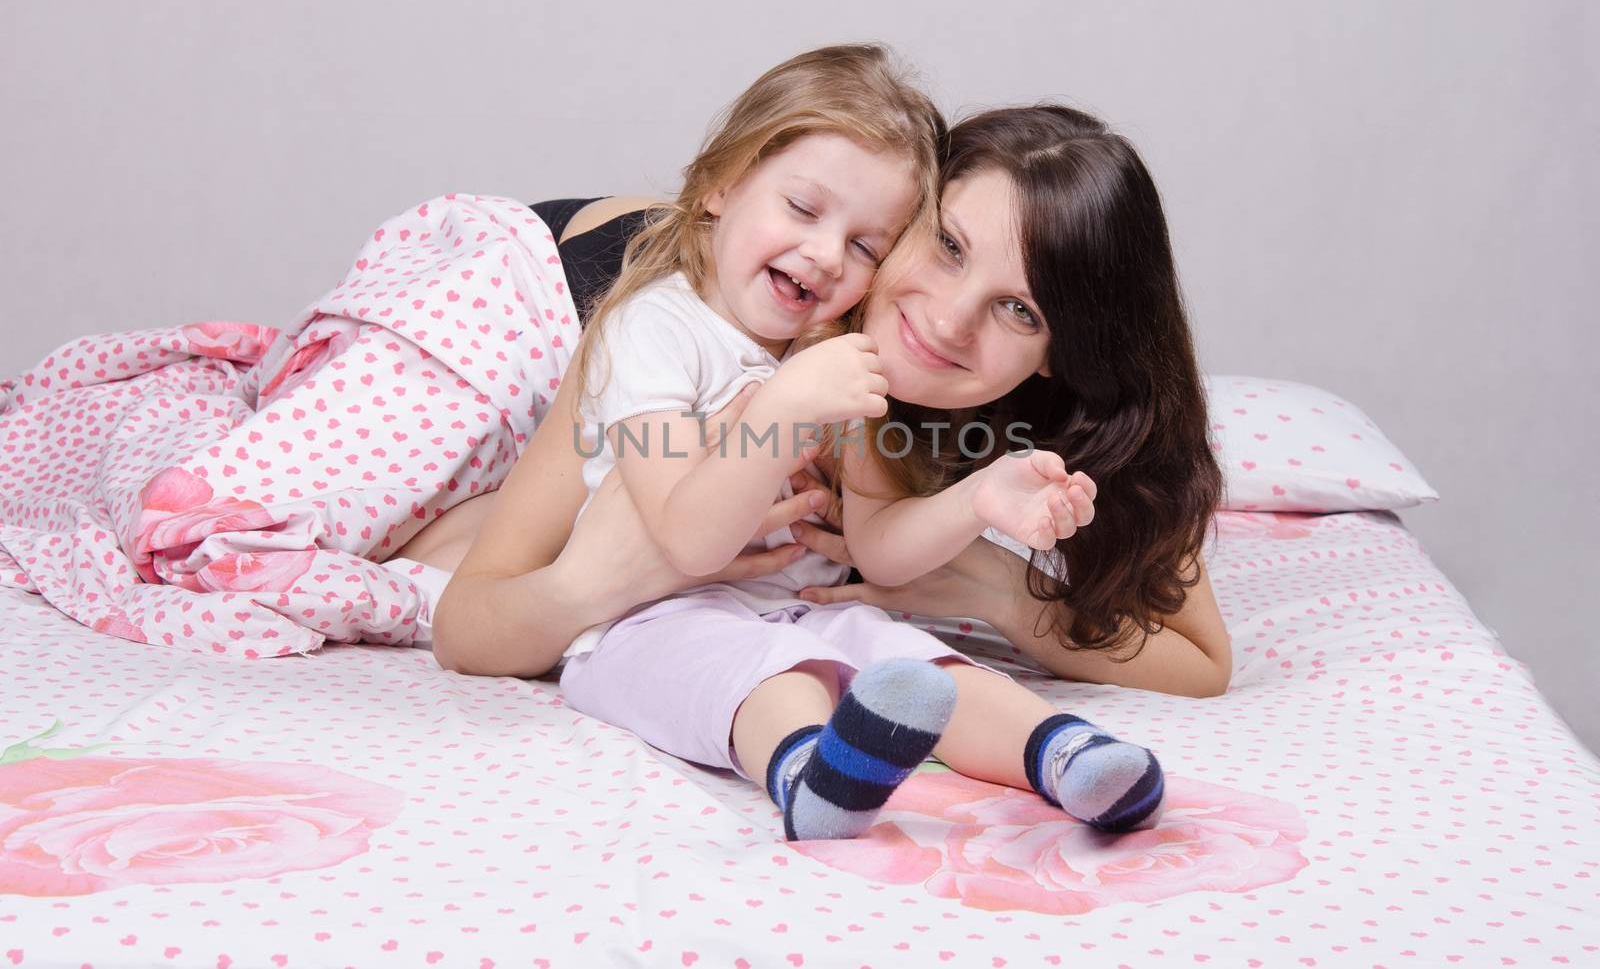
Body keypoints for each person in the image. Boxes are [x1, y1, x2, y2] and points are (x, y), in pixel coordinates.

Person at [402, 97, 1232, 834]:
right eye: (945, 245)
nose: (946, 320)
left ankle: (1059, 753)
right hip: (577, 261)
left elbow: (1201, 661)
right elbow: (471, 621)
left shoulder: (1084, 426)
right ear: (911, 220)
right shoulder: (731, 315)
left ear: (1067, 347)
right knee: (414, 506)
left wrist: (999, 592)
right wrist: (589, 584)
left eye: (1020, 309)